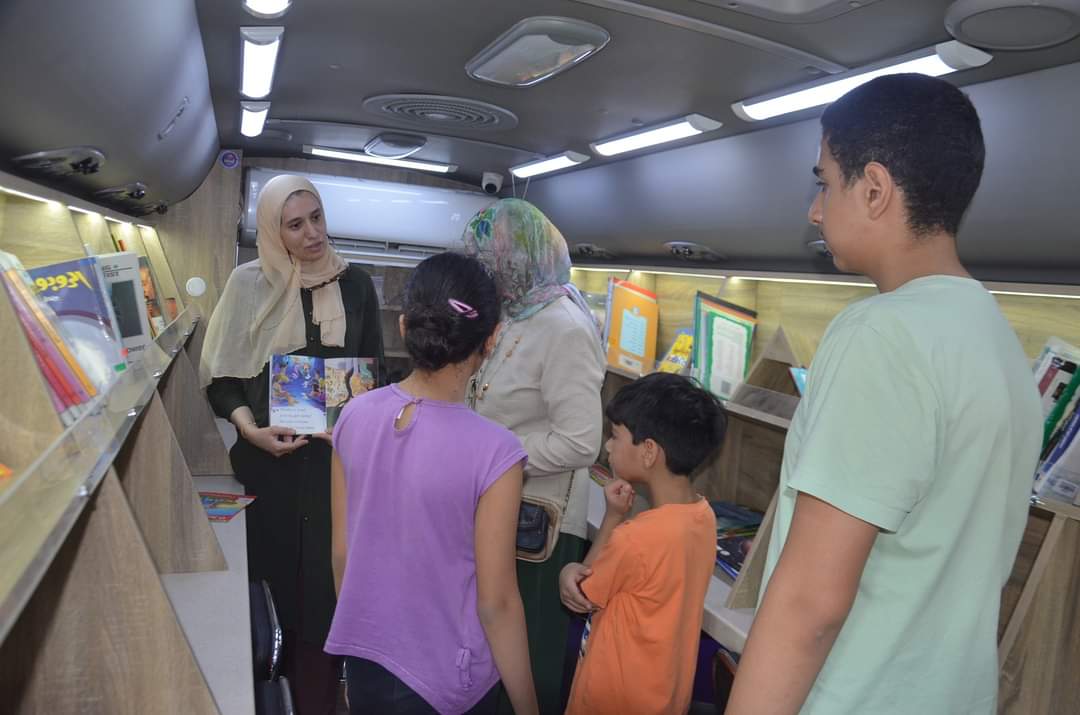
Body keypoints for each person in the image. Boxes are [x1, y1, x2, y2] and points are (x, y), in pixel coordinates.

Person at [724, 74, 1043, 715]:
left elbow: (810, 605)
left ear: (874, 189)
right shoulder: (997, 339)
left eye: (824, 182)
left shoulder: (880, 334)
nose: (815, 211)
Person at [325, 252, 539, 715]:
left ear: (404, 326)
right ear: (492, 339)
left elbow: (343, 554)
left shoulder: (352, 416)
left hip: (365, 662)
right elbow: (497, 604)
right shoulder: (497, 453)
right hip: (446, 681)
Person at [202, 174, 384, 714]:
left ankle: (317, 702)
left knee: (325, 601)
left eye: (317, 218)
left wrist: (353, 420)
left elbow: (373, 374)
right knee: (268, 594)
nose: (312, 233)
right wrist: (248, 428)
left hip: (332, 468)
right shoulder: (247, 284)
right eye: (295, 224)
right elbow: (221, 378)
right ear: (273, 231)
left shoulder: (356, 284)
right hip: (267, 467)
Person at [460, 198, 605, 715]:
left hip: (541, 526)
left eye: (489, 261)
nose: (483, 272)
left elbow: (581, 442)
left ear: (519, 259)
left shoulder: (565, 328)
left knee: (528, 648)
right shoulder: (515, 311)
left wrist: (492, 455)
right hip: (500, 507)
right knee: (493, 643)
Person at [558, 372, 726, 715]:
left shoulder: (635, 538)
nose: (608, 446)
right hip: (664, 698)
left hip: (612, 701)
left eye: (615, 436)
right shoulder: (703, 517)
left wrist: (569, 570)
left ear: (649, 451)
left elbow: (582, 594)